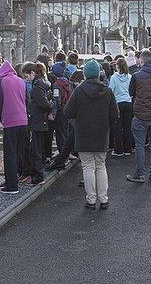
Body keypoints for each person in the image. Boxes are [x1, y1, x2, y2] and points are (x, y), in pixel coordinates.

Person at [64, 59, 119, 210]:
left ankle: (91, 200)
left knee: (88, 167)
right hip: (101, 133)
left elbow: (68, 112)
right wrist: (107, 125)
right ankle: (103, 199)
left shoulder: (79, 91)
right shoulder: (107, 91)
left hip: (83, 133)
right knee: (101, 166)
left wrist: (76, 123)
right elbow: (115, 114)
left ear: (85, 74)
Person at [126, 49, 151, 184]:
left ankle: (140, 174)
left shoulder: (137, 76)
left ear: (142, 61)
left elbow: (131, 92)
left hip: (140, 113)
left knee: (140, 145)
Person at [0, 59, 28, 194]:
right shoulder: (21, 81)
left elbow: (0, 102)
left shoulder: (2, 82)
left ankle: (12, 185)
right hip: (23, 120)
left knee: (10, 154)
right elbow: (27, 100)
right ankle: (16, 178)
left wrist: (2, 119)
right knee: (20, 152)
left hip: (10, 121)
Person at [23, 61, 53, 186]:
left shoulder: (37, 86)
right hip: (41, 120)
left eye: (27, 76)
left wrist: (49, 106)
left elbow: (43, 103)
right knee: (38, 148)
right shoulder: (43, 83)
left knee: (36, 149)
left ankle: (38, 177)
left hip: (37, 120)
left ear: (32, 73)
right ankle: (38, 174)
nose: (27, 79)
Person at [109, 57, 134, 156]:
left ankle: (118, 149)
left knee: (118, 127)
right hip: (128, 102)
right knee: (128, 127)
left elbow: (111, 90)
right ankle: (128, 149)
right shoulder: (130, 76)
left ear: (117, 66)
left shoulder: (114, 77)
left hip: (118, 102)